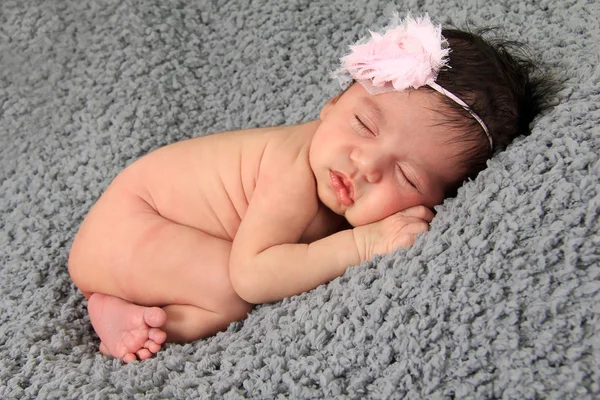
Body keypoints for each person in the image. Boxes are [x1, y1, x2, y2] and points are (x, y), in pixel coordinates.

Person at [68, 14, 552, 363]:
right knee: (229, 293)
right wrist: (365, 242)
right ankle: (118, 311)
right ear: (333, 102)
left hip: (145, 234)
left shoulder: (339, 168)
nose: (365, 164)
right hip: (131, 226)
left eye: (407, 177)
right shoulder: (291, 165)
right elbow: (254, 274)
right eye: (364, 124)